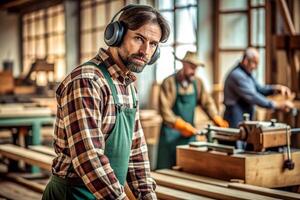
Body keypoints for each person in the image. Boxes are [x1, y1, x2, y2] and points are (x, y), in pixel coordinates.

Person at [42, 4, 170, 200]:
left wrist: (148, 196)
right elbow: (89, 159)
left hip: (107, 194)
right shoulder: (86, 81)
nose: (146, 51)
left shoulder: (128, 86)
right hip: (75, 194)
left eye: (153, 44)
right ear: (115, 35)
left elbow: (137, 153)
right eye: (138, 38)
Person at [156, 51, 228, 169]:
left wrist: (216, 117)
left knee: (188, 167)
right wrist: (179, 125)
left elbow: (207, 102)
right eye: (191, 67)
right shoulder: (169, 83)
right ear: (183, 64)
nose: (194, 71)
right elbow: (165, 111)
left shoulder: (197, 83)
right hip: (170, 134)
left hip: (189, 134)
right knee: (167, 170)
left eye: (196, 68)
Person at [223, 47, 293, 130]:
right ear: (246, 61)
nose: (256, 67)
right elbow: (253, 97)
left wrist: (276, 89)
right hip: (235, 118)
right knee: (236, 140)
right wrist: (277, 105)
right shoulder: (237, 76)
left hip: (245, 117)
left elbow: (259, 89)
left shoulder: (247, 74)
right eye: (254, 63)